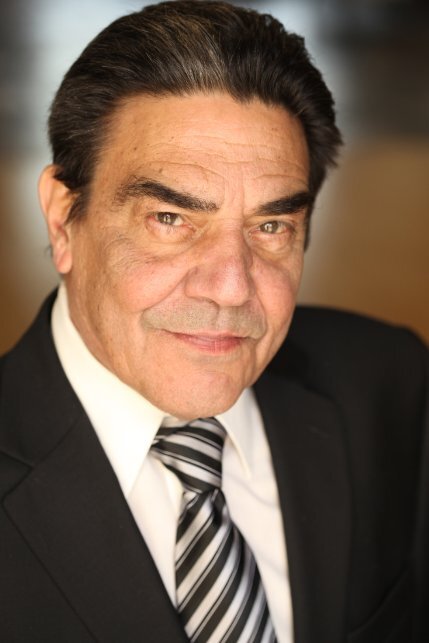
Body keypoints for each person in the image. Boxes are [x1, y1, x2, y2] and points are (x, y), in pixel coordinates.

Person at [0, 1, 427, 641]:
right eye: (170, 220)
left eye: (271, 226)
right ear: (64, 220)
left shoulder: (391, 384)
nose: (230, 288)